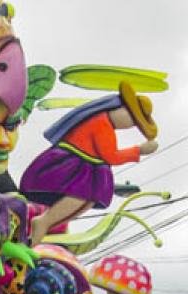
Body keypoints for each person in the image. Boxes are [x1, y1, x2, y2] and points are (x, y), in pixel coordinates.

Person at [21, 81, 159, 245]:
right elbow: (111, 156)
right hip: (71, 163)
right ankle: (44, 222)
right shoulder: (101, 122)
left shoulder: (106, 124)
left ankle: (45, 224)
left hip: (85, 165)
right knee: (80, 195)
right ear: (120, 108)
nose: (130, 125)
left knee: (88, 200)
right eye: (132, 119)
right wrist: (139, 151)